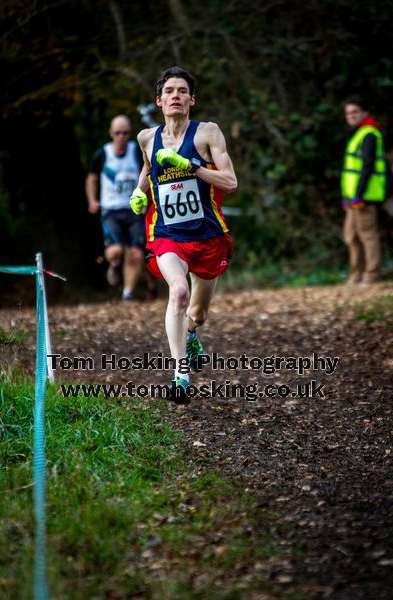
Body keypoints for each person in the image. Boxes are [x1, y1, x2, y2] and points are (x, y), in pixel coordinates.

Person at [130, 66, 237, 403]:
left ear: (192, 99)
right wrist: (139, 191)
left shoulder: (207, 133)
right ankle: (180, 375)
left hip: (206, 234)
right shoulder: (147, 137)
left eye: (182, 91)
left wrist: (191, 166)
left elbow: (231, 183)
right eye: (169, 91)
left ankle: (192, 333)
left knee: (198, 312)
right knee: (177, 292)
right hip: (167, 234)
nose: (175, 96)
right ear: (159, 101)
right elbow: (149, 169)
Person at [85, 114, 151, 301]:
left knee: (136, 254)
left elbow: (147, 173)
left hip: (135, 209)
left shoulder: (136, 152)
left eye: (125, 133)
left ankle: (127, 293)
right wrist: (92, 200)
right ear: (110, 133)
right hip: (111, 210)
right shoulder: (102, 154)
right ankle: (114, 265)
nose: (121, 136)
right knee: (115, 251)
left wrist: (147, 197)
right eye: (117, 133)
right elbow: (91, 179)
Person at [341, 97, 387, 284]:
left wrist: (358, 194)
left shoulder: (369, 134)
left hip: (364, 196)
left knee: (367, 235)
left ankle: (372, 274)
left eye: (354, 112)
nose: (351, 116)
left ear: (364, 113)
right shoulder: (359, 134)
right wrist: (347, 196)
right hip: (352, 197)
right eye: (348, 113)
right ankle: (356, 274)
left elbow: (368, 167)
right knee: (350, 236)